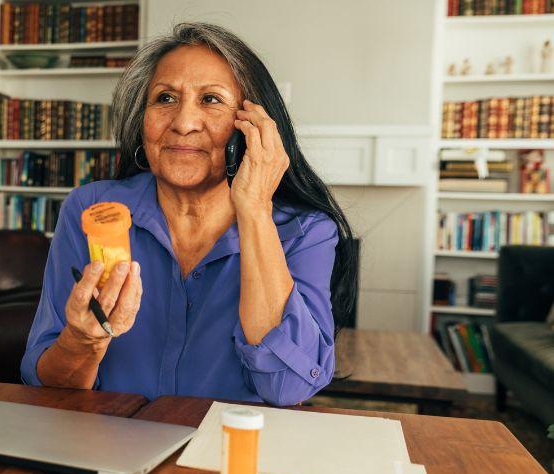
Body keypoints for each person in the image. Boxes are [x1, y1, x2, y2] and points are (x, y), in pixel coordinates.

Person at [20, 22, 358, 405]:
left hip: (229, 455)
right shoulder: (93, 210)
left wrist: (255, 209)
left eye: (211, 100)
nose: (182, 123)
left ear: (252, 127)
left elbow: (287, 388)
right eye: (165, 98)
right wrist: (82, 341)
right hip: (110, 448)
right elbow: (47, 385)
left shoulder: (306, 231)